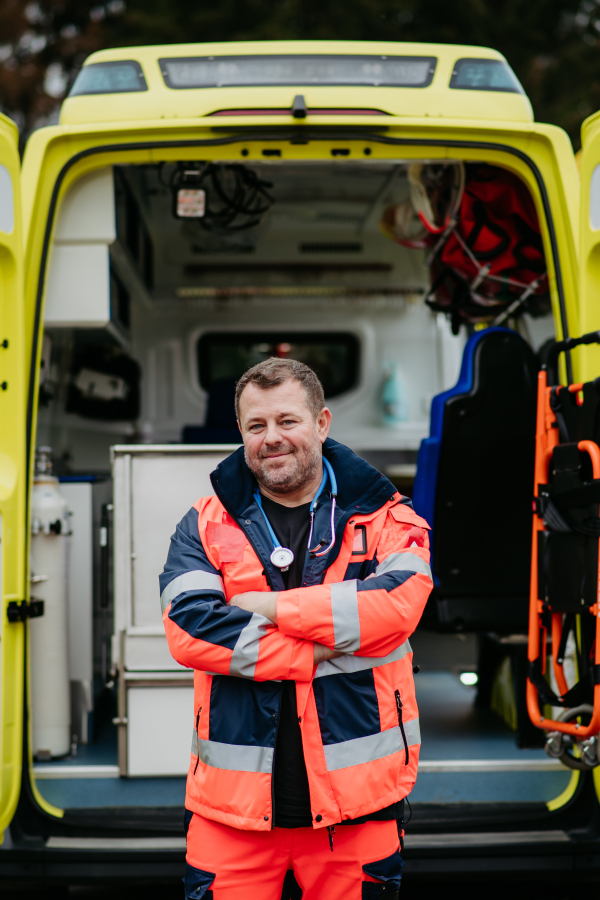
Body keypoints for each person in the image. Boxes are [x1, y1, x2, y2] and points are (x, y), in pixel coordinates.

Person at [161, 358, 432, 900]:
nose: (272, 438)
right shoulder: (204, 522)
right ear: (241, 433)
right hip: (231, 816)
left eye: (288, 421)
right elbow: (189, 628)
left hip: (357, 811)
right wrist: (318, 648)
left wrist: (269, 607)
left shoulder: (388, 518)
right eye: (256, 426)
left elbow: (395, 609)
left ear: (322, 423)